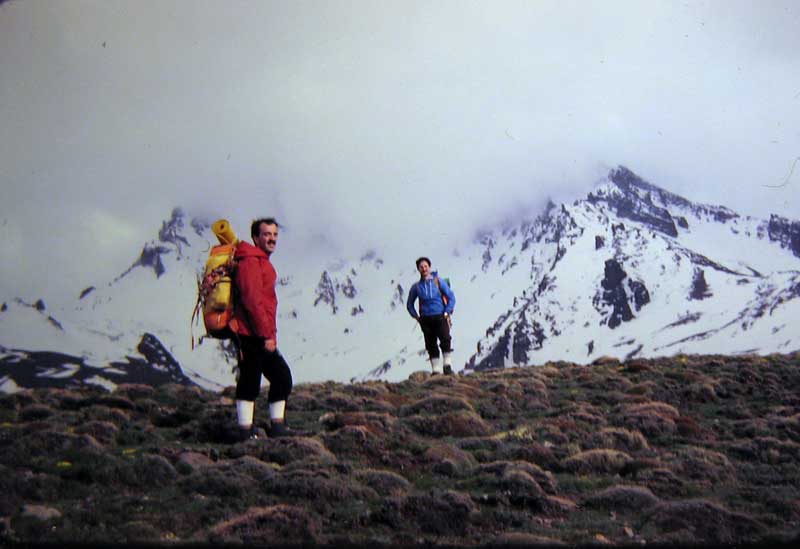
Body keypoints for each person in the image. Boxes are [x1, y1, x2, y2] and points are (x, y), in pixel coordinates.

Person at [230, 217, 303, 440]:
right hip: (250, 334)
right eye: (266, 234)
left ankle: (277, 427)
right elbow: (252, 302)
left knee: (281, 377)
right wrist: (266, 335)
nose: (272, 239)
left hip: (259, 334)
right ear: (256, 237)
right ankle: (245, 432)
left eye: (274, 235)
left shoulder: (260, 261)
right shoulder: (250, 262)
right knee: (250, 381)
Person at [406, 257, 456, 375]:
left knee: (445, 339)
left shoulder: (438, 281)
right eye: (421, 267)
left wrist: (446, 312)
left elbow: (451, 297)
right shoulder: (416, 287)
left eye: (425, 266)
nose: (424, 269)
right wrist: (417, 317)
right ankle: (436, 370)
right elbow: (409, 304)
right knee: (430, 344)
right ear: (418, 269)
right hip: (426, 319)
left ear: (429, 267)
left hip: (440, 316)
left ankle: (447, 366)